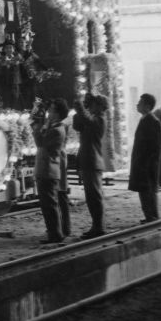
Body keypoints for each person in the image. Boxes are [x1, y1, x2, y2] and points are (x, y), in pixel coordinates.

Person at [31, 97, 70, 244]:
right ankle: (54, 233)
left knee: (50, 205)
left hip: (48, 170)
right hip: (46, 169)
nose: (48, 113)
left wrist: (35, 126)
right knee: (48, 205)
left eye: (51, 110)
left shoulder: (57, 130)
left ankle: (56, 234)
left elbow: (40, 142)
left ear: (58, 113)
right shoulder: (54, 127)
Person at [72, 93, 108, 238]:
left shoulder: (100, 120)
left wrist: (81, 108)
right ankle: (96, 225)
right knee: (91, 196)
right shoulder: (92, 119)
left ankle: (99, 226)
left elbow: (88, 120)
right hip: (88, 161)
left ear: (99, 106)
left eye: (93, 104)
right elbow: (77, 125)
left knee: (95, 196)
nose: (90, 106)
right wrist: (79, 110)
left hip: (93, 162)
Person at [129, 93, 161, 223]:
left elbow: (154, 147)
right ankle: (149, 217)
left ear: (147, 106)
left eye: (140, 102)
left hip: (147, 165)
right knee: (144, 191)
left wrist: (146, 164)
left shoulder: (153, 121)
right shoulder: (144, 119)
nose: (137, 104)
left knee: (148, 191)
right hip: (141, 163)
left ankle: (152, 217)